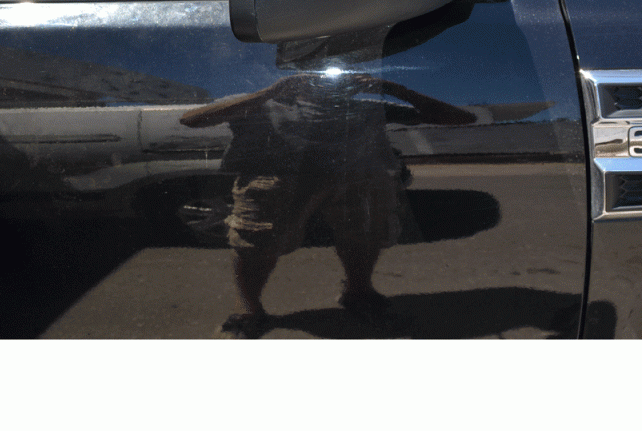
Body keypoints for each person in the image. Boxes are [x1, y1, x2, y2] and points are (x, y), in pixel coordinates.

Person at [181, 39, 475, 339]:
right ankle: (247, 309)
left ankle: (359, 294)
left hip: (358, 179)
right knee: (255, 242)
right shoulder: (263, 103)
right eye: (313, 72)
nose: (323, 80)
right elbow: (191, 120)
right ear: (296, 74)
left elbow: (462, 119)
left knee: (365, 236)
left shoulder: (369, 108)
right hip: (277, 182)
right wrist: (271, 91)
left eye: (333, 72)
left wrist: (394, 88)